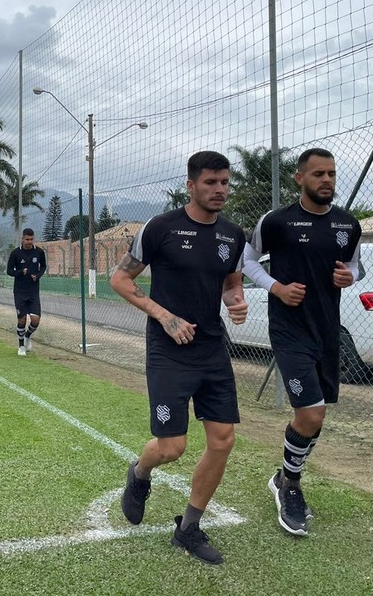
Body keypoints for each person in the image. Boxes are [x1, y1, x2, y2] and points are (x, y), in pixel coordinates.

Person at [111, 151, 248, 565]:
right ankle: (139, 474)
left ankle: (188, 528)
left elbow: (230, 284)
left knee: (222, 440)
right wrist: (165, 316)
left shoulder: (233, 236)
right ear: (191, 185)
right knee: (172, 447)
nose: (219, 190)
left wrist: (236, 302)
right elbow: (119, 278)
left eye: (224, 182)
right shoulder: (161, 228)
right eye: (210, 182)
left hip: (211, 348)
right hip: (169, 351)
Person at [241, 147, 361, 537]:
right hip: (290, 330)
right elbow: (247, 262)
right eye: (318, 174)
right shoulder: (276, 221)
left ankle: (285, 477)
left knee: (317, 413)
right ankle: (289, 485)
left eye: (331, 174)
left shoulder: (348, 225)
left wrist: (350, 277)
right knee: (310, 413)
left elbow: (354, 266)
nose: (326, 180)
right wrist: (276, 287)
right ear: (299, 179)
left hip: (328, 330)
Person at [6, 228, 48, 356]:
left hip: (33, 291)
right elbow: (9, 271)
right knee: (22, 319)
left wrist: (38, 275)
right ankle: (21, 346)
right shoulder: (15, 253)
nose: (29, 242)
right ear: (22, 239)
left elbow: (43, 266)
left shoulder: (39, 252)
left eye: (31, 239)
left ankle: (27, 336)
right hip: (20, 291)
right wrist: (20, 272)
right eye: (27, 239)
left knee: (35, 320)